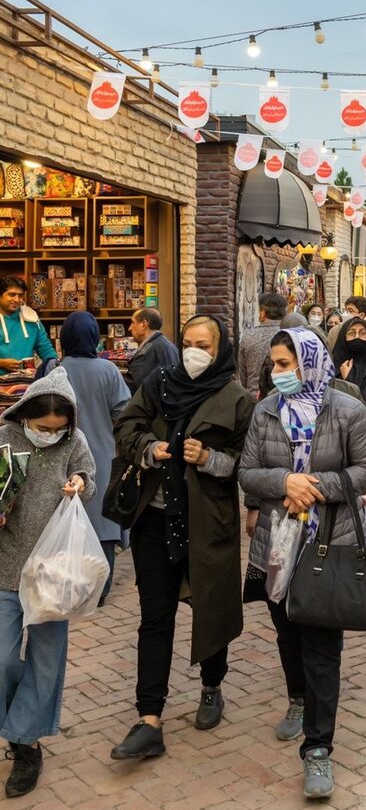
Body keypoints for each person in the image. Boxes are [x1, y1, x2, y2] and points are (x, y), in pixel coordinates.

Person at [240, 327, 366, 797]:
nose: (278, 373)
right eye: (274, 366)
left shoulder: (346, 409)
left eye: (285, 364)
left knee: (322, 646)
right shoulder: (265, 412)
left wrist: (315, 484)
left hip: (330, 543)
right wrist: (284, 482)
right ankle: (297, 699)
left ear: (310, 361)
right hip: (277, 545)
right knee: (286, 631)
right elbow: (247, 473)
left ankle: (318, 750)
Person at [111, 316, 255, 761]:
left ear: (220, 350)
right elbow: (125, 427)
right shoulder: (158, 383)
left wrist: (211, 457)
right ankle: (149, 718)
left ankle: (212, 685)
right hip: (154, 521)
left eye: (204, 346)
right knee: (155, 617)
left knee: (211, 606)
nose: (194, 352)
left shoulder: (236, 399)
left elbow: (246, 462)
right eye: (188, 343)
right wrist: (148, 450)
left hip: (207, 523)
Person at [0, 368, 96, 798]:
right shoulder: (4, 435)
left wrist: (80, 483)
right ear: (25, 417)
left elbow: (88, 476)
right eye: (42, 428)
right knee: (2, 657)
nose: (49, 435)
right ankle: (20, 722)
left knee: (45, 658)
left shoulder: (73, 439)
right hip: (5, 562)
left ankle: (26, 742)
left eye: (56, 430)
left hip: (53, 572)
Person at [38, 312, 131, 604]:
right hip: (100, 456)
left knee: (61, 519)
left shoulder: (53, 369)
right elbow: (123, 415)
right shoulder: (108, 371)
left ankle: (63, 584)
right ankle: (98, 589)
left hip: (57, 455)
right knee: (101, 524)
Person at [330, 317, 366, 530]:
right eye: (351, 333)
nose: (357, 338)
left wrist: (349, 380)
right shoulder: (332, 369)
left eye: (362, 333)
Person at [0, 277, 56, 376]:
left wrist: (57, 368)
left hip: (26, 384)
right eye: (12, 295)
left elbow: (46, 349)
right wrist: (2, 363)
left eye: (20, 296)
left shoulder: (31, 318)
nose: (17, 300)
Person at [238, 292, 287, 398]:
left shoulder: (249, 336)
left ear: (263, 313)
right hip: (283, 396)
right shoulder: (288, 335)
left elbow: (242, 374)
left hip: (253, 397)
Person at [127, 308, 180, 392]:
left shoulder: (149, 350)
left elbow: (136, 387)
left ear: (143, 324)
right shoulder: (170, 345)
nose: (130, 328)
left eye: (133, 322)